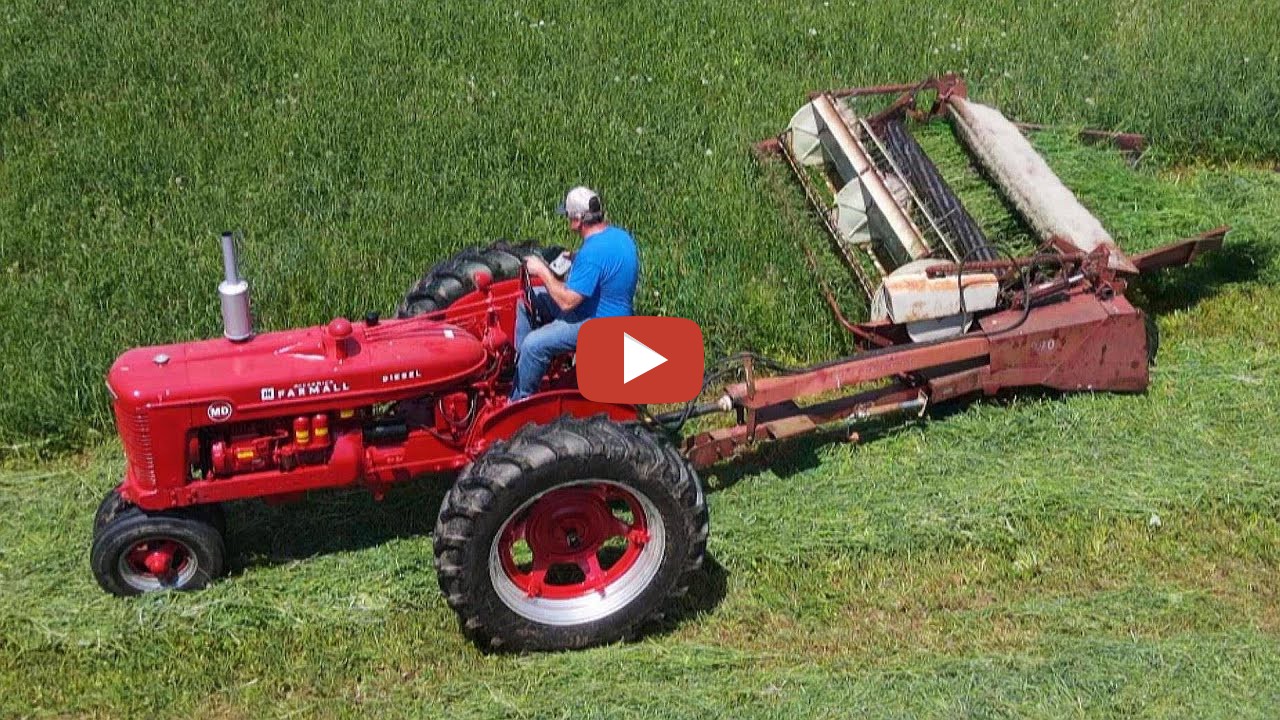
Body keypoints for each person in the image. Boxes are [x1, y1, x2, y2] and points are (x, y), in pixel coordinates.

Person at [511, 186, 638, 400]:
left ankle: (520, 400)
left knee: (533, 345)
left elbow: (567, 302)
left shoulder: (592, 253)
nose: (568, 220)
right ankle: (522, 366)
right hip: (614, 312)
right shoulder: (620, 237)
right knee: (528, 300)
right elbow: (606, 267)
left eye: (569, 216)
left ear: (578, 220)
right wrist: (577, 259)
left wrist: (542, 271)